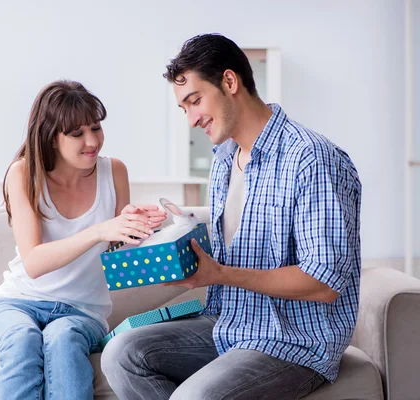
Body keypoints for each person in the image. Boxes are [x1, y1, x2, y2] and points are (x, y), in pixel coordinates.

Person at [101, 33, 362, 399]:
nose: (191, 120)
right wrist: (165, 223)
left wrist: (220, 274)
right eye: (184, 108)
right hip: (232, 322)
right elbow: (245, 224)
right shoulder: (225, 159)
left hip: (293, 339)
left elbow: (324, 283)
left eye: (195, 101)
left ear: (229, 81)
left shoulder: (311, 160)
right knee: (122, 354)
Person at [0, 80, 166, 400]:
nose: (92, 141)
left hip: (82, 313)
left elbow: (117, 253)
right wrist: (100, 230)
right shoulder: (23, 174)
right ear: (51, 137)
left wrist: (134, 225)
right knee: (22, 338)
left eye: (95, 128)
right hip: (15, 303)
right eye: (77, 134)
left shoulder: (114, 171)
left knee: (63, 336)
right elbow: (34, 262)